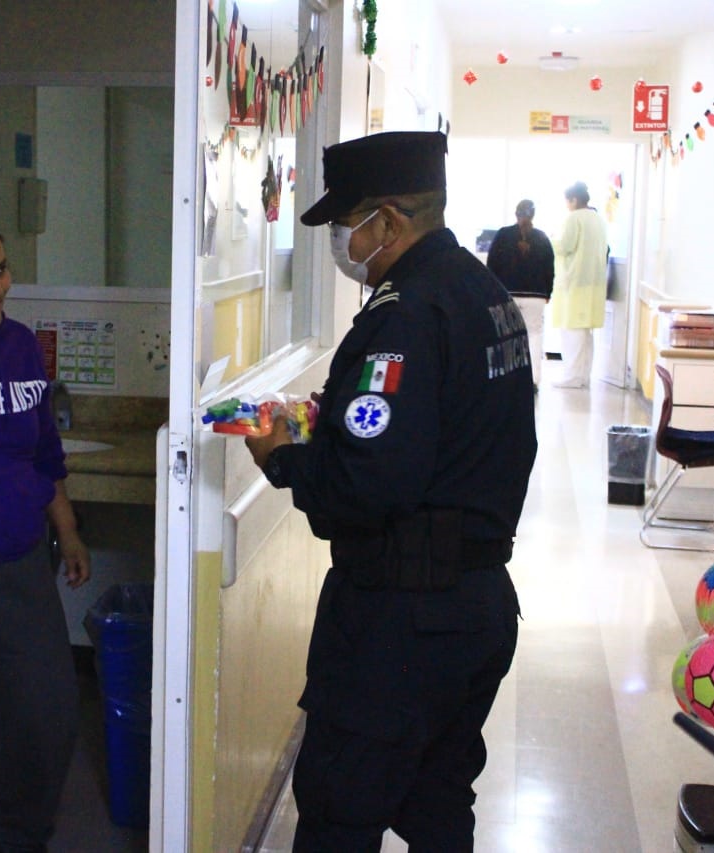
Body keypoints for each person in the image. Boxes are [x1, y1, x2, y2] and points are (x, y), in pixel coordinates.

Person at [244, 131, 536, 851]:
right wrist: (333, 416)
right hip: (473, 608)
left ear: (388, 222)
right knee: (437, 805)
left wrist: (284, 456)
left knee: (342, 811)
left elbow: (366, 485)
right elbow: (447, 428)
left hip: (398, 625)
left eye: (349, 224)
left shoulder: (403, 313)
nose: (343, 240)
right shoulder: (481, 288)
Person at [0, 216, 91, 853]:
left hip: (23, 565)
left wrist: (68, 533)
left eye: (0, 270)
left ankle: (22, 838)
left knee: (47, 715)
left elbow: (46, 453)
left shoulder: (20, 345)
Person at [487, 198, 554, 390]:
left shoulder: (503, 235)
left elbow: (492, 266)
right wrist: (548, 292)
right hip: (536, 296)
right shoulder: (542, 238)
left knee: (505, 336)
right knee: (534, 335)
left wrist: (493, 292)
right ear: (533, 215)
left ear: (516, 214)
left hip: (508, 295)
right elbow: (550, 269)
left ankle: (505, 379)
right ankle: (532, 380)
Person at [549, 181, 608, 389]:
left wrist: (551, 239)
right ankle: (583, 375)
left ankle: (572, 376)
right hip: (595, 285)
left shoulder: (574, 218)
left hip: (575, 284)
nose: (566, 205)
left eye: (567, 200)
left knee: (572, 330)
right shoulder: (598, 219)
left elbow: (564, 245)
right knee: (585, 334)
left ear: (574, 200)